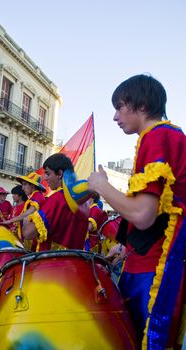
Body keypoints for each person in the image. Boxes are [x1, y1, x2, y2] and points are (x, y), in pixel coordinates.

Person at [88, 74, 186, 349]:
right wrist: (123, 248)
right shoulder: (165, 136)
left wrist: (102, 186)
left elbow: (143, 215)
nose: (115, 117)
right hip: (146, 258)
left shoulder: (156, 136)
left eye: (119, 107)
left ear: (140, 105)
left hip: (155, 267)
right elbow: (158, 213)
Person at [23, 153, 89, 251]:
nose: (45, 178)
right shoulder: (85, 203)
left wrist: (26, 219)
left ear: (60, 174)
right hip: (75, 262)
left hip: (51, 263)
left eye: (48, 173)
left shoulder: (57, 199)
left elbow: (28, 234)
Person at [3, 172, 46, 249]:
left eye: (24, 184)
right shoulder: (34, 196)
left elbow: (28, 213)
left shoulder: (37, 195)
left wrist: (9, 221)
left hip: (34, 238)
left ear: (32, 185)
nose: (22, 188)